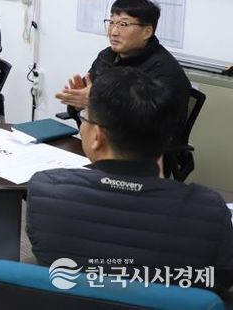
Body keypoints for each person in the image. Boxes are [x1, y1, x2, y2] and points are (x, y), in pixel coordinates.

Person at [28, 67, 233, 298]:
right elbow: (221, 280)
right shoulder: (210, 211)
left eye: (85, 118)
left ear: (97, 137)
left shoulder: (46, 191)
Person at [55, 0, 190, 139]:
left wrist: (97, 103)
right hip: (101, 140)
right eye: (111, 22)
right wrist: (77, 102)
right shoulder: (107, 57)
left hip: (140, 149)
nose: (113, 32)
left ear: (147, 32)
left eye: (123, 24)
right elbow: (88, 96)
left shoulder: (164, 71)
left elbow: (150, 125)